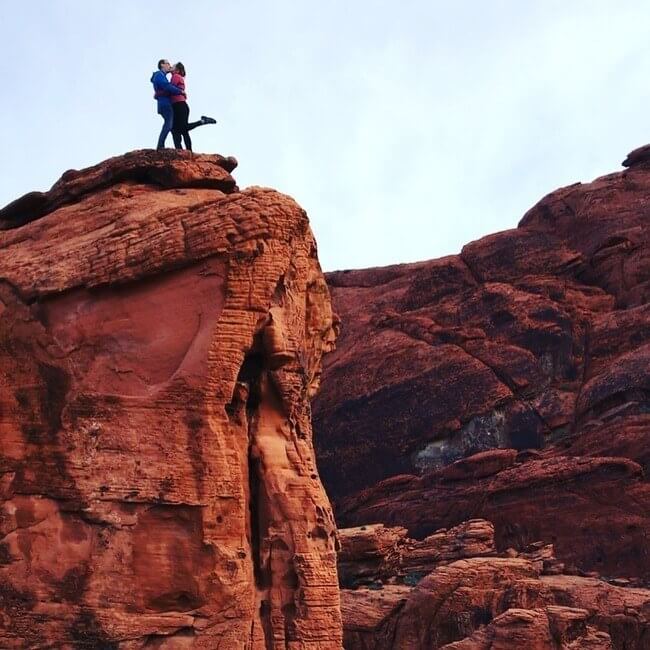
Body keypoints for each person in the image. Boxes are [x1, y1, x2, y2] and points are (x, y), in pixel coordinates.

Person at [169, 62, 216, 152]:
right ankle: (188, 152)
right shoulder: (178, 77)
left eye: (173, 66)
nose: (171, 66)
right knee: (182, 129)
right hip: (180, 105)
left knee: (178, 129)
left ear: (177, 70)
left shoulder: (175, 76)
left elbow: (170, 89)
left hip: (179, 105)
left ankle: (181, 151)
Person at [150, 59, 184, 150]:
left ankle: (170, 146)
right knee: (168, 124)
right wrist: (180, 91)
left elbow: (165, 88)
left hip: (164, 103)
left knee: (170, 125)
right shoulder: (159, 75)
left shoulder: (161, 76)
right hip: (165, 104)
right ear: (162, 65)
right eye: (168, 63)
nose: (169, 65)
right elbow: (167, 86)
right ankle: (160, 146)